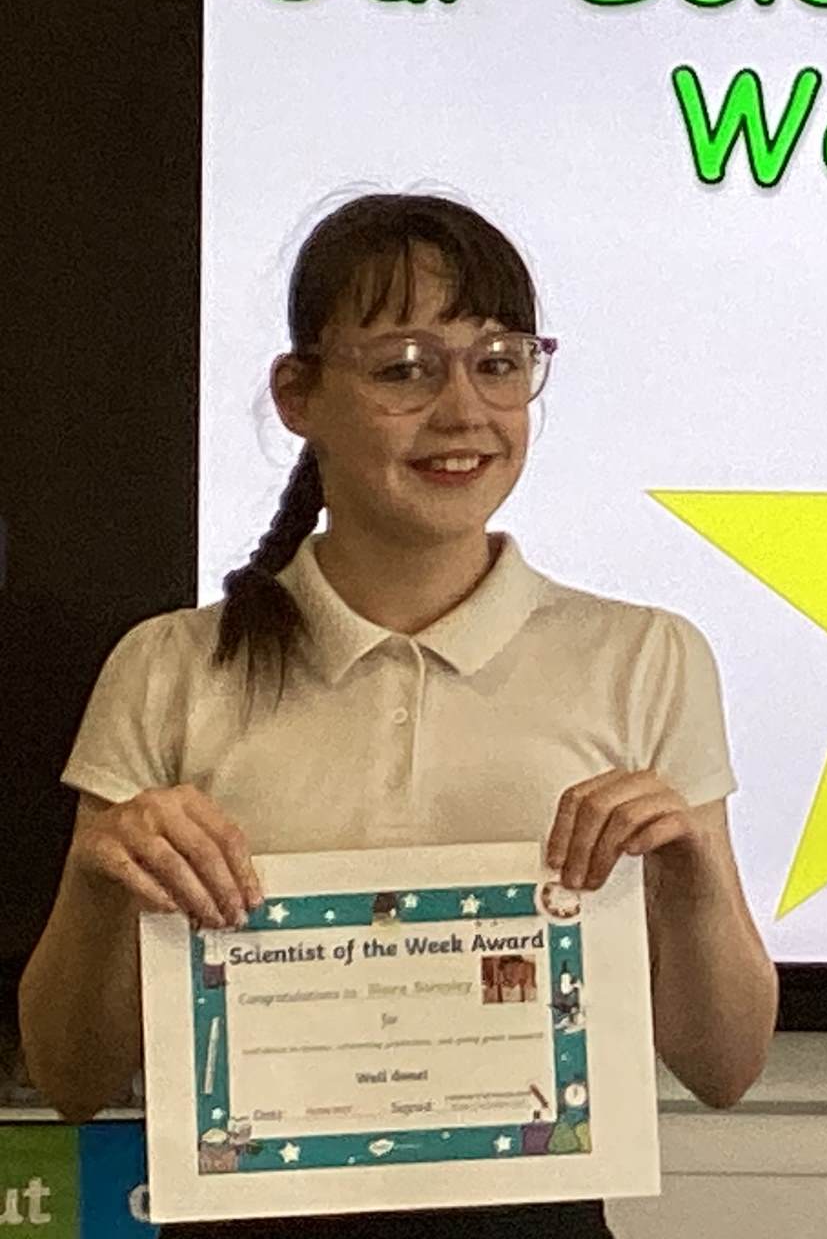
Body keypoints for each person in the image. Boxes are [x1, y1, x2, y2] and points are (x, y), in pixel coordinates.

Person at [17, 193, 779, 1239]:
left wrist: (690, 876)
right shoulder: (168, 667)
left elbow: (726, 1068)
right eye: (405, 369)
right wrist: (100, 883)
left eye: (499, 363)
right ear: (298, 394)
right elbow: (70, 1079)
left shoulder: (647, 658)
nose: (464, 411)